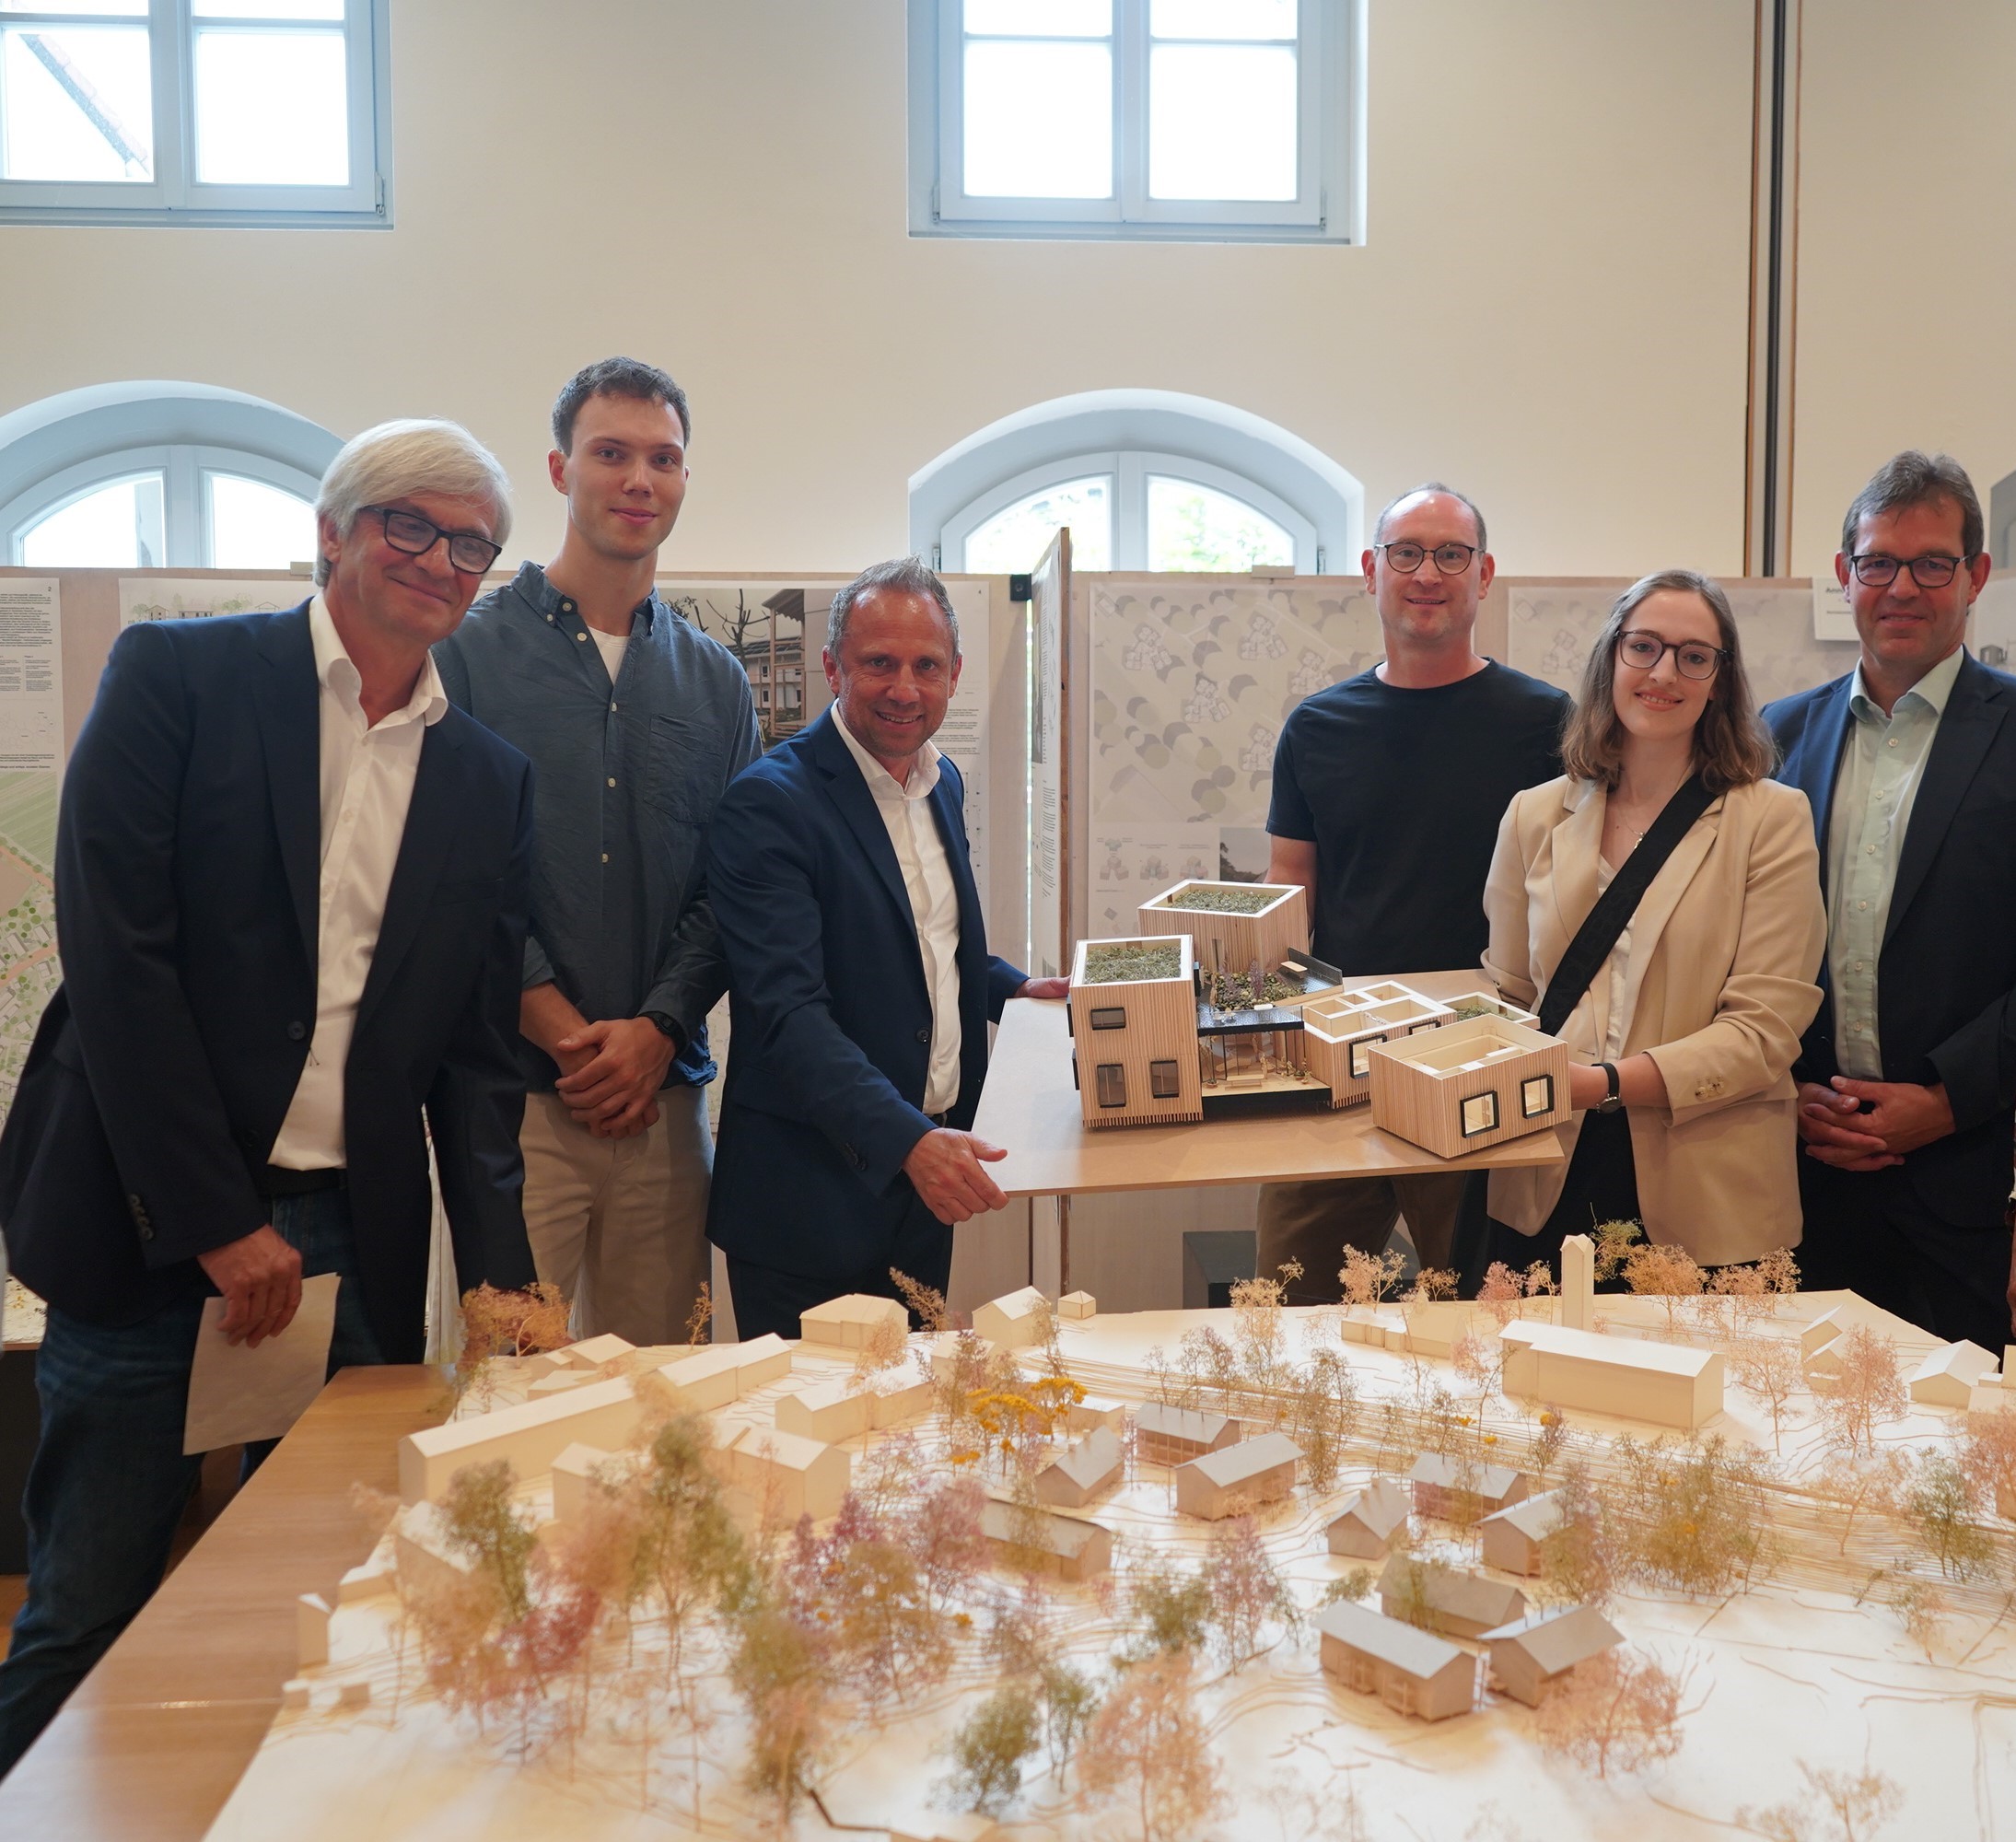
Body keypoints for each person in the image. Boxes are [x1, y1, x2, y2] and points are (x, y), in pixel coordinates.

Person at [0, 420, 539, 1775]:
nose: (440, 559)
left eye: (470, 542)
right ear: (334, 532)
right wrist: (214, 1220)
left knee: (325, 1597)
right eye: (409, 524)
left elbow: (474, 1059)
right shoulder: (181, 677)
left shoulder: (485, 776)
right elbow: (118, 961)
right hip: (148, 1235)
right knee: (90, 1608)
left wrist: (505, 1289)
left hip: (352, 1237)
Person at [436, 357, 760, 1347]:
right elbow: (450, 873)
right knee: (500, 1405)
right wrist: (567, 1034)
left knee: (667, 1406)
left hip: (665, 1109)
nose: (637, 480)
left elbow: (730, 887)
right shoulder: (467, 654)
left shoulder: (714, 681)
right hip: (519, 1105)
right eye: (610, 453)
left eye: (662, 459)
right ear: (557, 469)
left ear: (684, 481)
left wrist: (658, 1027)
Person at [705, 558, 1066, 1340]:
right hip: (808, 1197)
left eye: (925, 666)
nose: (904, 688)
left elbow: (925, 941)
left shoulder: (940, 782)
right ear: (833, 667)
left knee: (908, 1429)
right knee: (809, 1439)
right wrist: (911, 1142)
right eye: (879, 663)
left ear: (954, 675)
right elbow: (787, 1014)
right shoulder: (770, 804)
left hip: (917, 1189)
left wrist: (1010, 988)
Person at [1261, 484, 1570, 1299]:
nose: (1427, 573)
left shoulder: (1547, 725)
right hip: (1334, 1068)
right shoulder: (1316, 727)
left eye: (1450, 554)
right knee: (1289, 1305)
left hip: (1481, 1060)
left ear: (1484, 573)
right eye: (1406, 553)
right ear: (1370, 570)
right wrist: (1273, 1030)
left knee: (1479, 1315)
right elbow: (1289, 885)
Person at [1478, 568, 1825, 1276]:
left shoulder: (1771, 819)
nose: (1664, 673)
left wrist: (1603, 1082)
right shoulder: (1534, 814)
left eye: (1693, 656)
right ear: (1610, 658)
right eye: (1643, 647)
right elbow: (1507, 995)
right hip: (1546, 1170)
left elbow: (1763, 1032)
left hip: (1707, 1187)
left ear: (1719, 680)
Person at [1766, 451, 2016, 1350]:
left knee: (1959, 1454)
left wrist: (1945, 1098)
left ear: (1974, 576)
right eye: (1876, 562)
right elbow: (1735, 947)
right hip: (1799, 1169)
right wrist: (1782, 1087)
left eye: (1930, 563)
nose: (1899, 586)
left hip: (1961, 1173)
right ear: (1843, 576)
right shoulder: (1775, 736)